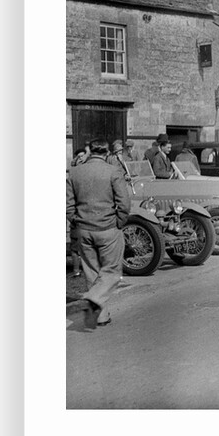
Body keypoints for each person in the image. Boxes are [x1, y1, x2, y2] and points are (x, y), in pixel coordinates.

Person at [66, 139, 131, 328]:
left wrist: (76, 221)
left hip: (84, 229)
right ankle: (93, 299)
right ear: (107, 153)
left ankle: (100, 317)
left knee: (92, 272)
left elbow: (68, 205)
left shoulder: (75, 172)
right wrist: (119, 221)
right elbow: (124, 203)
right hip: (108, 228)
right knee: (111, 271)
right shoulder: (113, 171)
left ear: (90, 152)